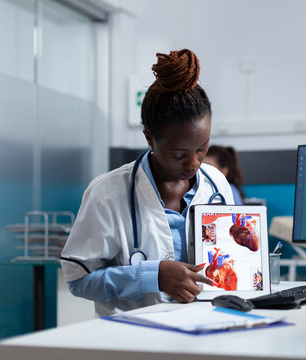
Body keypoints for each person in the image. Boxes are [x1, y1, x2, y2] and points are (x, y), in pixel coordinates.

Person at [60, 49, 234, 316]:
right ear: (150, 139)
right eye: (179, 155)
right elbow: (79, 280)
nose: (194, 163)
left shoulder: (217, 186)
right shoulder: (107, 193)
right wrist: (152, 276)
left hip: (206, 329)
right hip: (133, 340)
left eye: (202, 148)